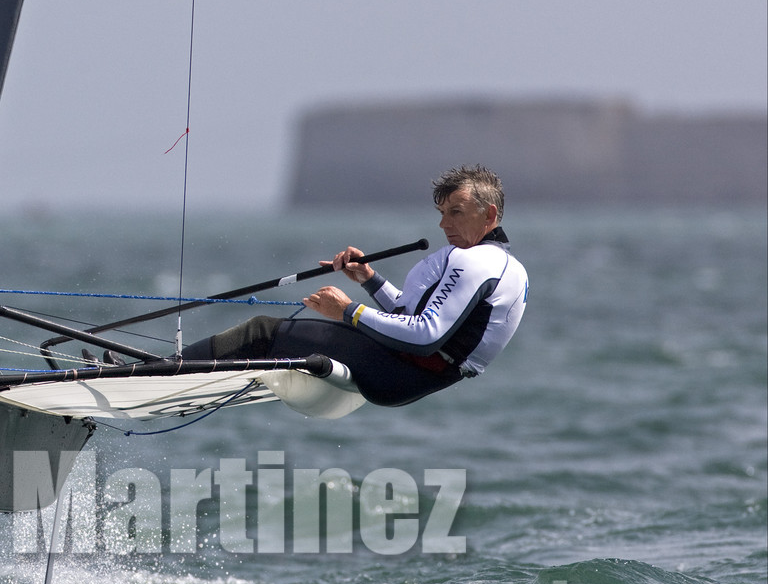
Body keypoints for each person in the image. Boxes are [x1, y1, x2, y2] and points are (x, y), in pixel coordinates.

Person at [181, 164, 529, 407]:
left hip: (401, 370)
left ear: (489, 215)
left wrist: (347, 311)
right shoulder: (505, 265)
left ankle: (170, 369)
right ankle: (187, 376)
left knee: (261, 332)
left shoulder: (476, 261)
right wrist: (370, 280)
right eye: (441, 212)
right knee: (270, 340)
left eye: (455, 212)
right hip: (413, 374)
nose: (443, 223)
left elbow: (426, 336)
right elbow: (409, 317)